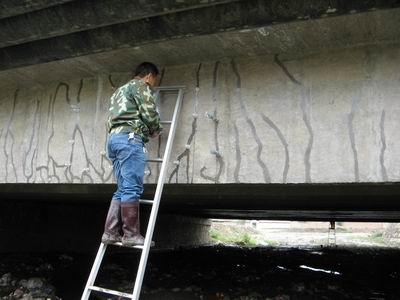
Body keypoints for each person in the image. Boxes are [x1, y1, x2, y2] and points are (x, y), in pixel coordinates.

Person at [102, 62, 162, 246]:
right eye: (154, 80)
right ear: (149, 75)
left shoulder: (119, 91)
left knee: (122, 189)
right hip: (130, 139)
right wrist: (155, 129)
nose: (153, 84)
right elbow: (149, 111)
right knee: (132, 188)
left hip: (114, 139)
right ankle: (130, 235)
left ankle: (110, 233)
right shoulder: (140, 86)